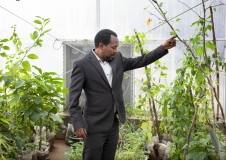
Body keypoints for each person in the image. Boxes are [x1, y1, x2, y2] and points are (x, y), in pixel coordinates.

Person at [69, 29, 176, 160]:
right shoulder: (82, 64)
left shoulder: (117, 59)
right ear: (101, 45)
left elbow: (141, 60)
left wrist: (163, 47)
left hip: (112, 123)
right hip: (94, 125)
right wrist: (78, 123)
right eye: (113, 47)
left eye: (117, 47)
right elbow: (73, 98)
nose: (116, 50)